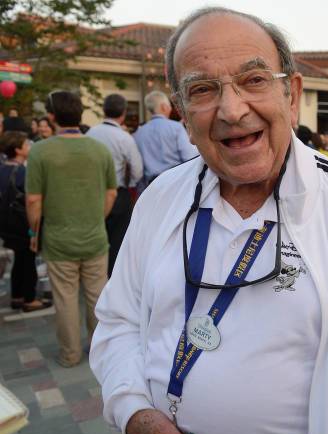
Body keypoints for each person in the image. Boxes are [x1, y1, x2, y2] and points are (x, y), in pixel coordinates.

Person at [89, 7, 328, 434]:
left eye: (253, 79)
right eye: (202, 90)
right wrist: (132, 409)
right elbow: (118, 321)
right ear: (180, 110)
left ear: (291, 93)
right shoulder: (159, 199)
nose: (232, 110)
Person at [25, 90, 118, 367]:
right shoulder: (99, 149)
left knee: (65, 299)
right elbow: (112, 193)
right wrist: (95, 217)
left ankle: (70, 354)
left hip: (57, 239)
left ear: (52, 116)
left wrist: (34, 232)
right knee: (97, 297)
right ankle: (101, 352)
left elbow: (33, 200)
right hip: (95, 237)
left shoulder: (40, 150)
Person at [87, 93, 144, 276]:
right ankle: (113, 277)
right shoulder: (124, 137)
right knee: (118, 240)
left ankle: (95, 275)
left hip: (93, 193)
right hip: (118, 194)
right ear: (124, 113)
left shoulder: (90, 133)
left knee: (96, 236)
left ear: (104, 111)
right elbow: (137, 170)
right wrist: (132, 185)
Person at [0, 131, 51, 312]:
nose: (29, 146)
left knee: (19, 261)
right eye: (26, 144)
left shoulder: (3, 167)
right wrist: (34, 230)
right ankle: (29, 299)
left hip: (7, 225)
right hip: (23, 225)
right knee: (28, 261)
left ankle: (16, 296)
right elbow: (32, 200)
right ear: (18, 150)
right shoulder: (22, 172)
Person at [134, 90, 199, 189]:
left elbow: (138, 167)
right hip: (176, 182)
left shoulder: (139, 133)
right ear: (164, 106)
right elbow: (189, 156)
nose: (170, 109)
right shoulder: (176, 128)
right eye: (169, 106)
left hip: (150, 186)